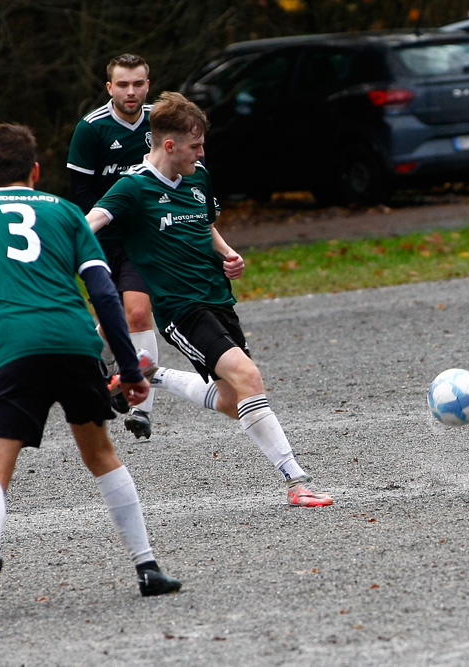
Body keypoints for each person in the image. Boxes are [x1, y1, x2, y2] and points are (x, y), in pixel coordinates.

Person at [0, 123, 180, 607]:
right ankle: (147, 566)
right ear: (36, 170)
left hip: (13, 348)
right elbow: (104, 294)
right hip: (76, 344)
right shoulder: (64, 212)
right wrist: (128, 367)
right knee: (101, 455)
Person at [86, 91, 333, 508]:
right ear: (170, 145)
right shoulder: (132, 188)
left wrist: (228, 253)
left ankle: (153, 374)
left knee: (233, 399)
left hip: (219, 298)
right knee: (249, 376)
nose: (202, 152)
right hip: (181, 309)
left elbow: (205, 225)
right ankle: (298, 481)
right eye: (196, 145)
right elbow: (89, 223)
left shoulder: (198, 176)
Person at [67, 53, 159, 440]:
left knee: (138, 314)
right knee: (108, 320)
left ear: (147, 85)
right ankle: (103, 374)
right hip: (99, 240)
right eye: (123, 84)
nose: (131, 91)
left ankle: (142, 411)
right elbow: (80, 192)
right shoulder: (91, 129)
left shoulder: (160, 121)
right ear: (109, 88)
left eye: (138, 83)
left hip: (142, 240)